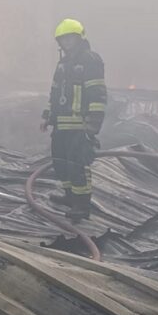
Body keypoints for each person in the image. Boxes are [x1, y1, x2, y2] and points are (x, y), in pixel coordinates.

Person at [41, 18, 107, 222]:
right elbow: (54, 92)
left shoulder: (90, 60)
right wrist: (47, 116)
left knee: (77, 164)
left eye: (70, 38)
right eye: (63, 39)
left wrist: (92, 125)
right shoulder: (62, 64)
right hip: (61, 124)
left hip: (79, 124)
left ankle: (81, 205)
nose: (66, 43)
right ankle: (70, 197)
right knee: (60, 162)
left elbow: (97, 93)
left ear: (79, 38)